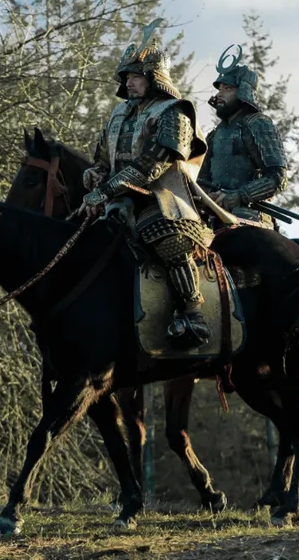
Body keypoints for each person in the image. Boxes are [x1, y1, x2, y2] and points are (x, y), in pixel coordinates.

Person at [80, 19, 214, 350]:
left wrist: (106, 189)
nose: (129, 83)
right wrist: (93, 174)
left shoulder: (174, 112)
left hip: (163, 199)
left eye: (135, 76)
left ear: (154, 78)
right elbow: (102, 159)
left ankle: (192, 315)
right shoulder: (117, 115)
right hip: (117, 199)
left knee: (166, 237)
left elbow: (153, 165)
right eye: (126, 77)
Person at [197, 45, 287, 228]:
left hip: (250, 217)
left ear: (243, 92)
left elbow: (277, 177)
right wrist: (207, 196)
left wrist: (238, 196)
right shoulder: (215, 135)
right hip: (213, 214)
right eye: (219, 88)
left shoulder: (258, 124)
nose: (220, 94)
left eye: (227, 88)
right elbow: (201, 177)